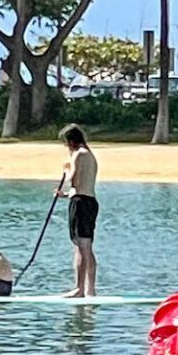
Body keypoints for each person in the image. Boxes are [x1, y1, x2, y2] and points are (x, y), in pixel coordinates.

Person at [55, 124, 99, 298]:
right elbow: (82, 185)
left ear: (71, 142)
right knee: (86, 246)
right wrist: (65, 195)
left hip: (80, 203)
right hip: (90, 201)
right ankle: (91, 289)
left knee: (81, 247)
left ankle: (79, 289)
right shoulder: (90, 155)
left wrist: (67, 170)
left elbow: (74, 180)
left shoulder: (78, 155)